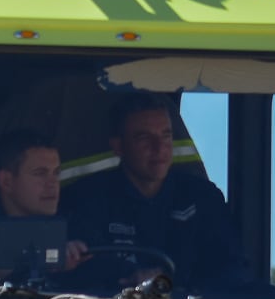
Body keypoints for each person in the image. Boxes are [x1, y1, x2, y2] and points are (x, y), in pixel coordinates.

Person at [64, 92, 251, 288]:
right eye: (144, 138)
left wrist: (173, 284)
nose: (159, 147)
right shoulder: (86, 199)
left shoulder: (203, 199)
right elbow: (81, 271)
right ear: (118, 146)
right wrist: (132, 277)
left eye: (166, 135)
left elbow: (233, 271)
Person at [0, 128, 90, 282]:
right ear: (6, 182)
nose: (52, 184)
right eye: (40, 173)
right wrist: (51, 257)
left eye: (56, 173)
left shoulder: (73, 221)